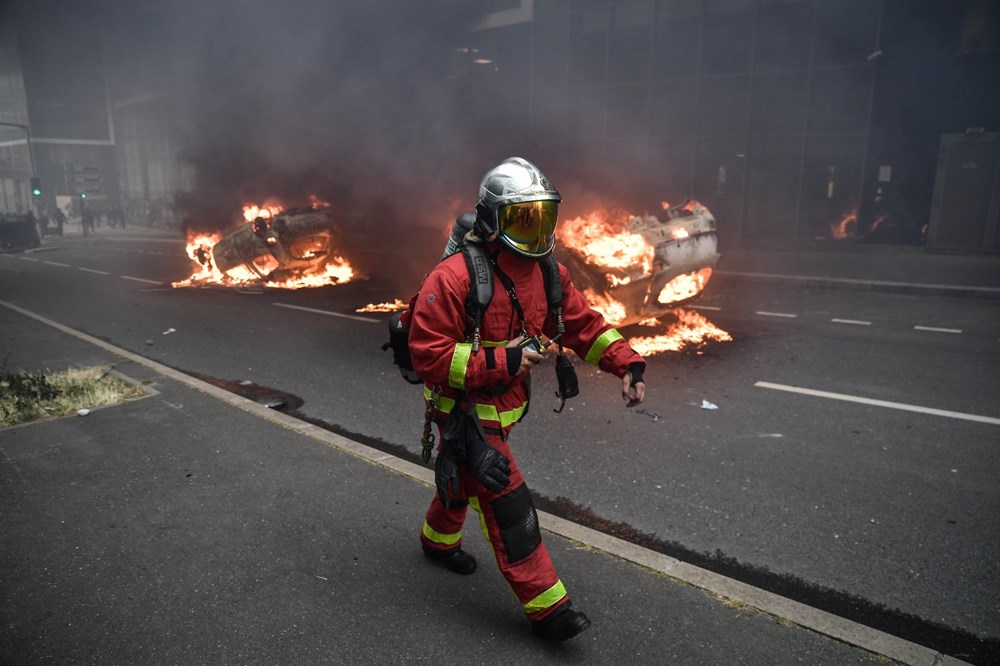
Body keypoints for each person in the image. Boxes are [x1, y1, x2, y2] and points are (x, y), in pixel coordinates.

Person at [408, 157, 647, 642]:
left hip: (506, 407)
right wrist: (502, 363)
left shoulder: (550, 274)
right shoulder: (453, 279)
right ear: (493, 219)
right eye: (524, 219)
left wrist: (628, 363)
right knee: (509, 505)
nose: (536, 231)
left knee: (462, 479)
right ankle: (549, 611)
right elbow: (427, 357)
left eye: (544, 218)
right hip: (463, 411)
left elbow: (585, 325)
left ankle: (437, 540)